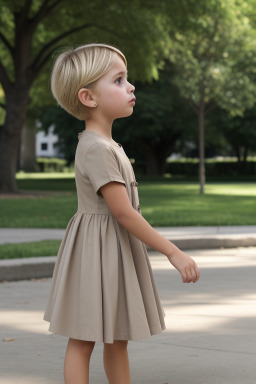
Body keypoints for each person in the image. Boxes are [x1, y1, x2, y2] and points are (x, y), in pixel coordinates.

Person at [44, 43, 200, 384]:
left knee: (116, 337)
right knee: (84, 337)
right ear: (88, 97)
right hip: (97, 251)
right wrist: (173, 251)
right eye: (118, 80)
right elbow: (124, 213)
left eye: (126, 78)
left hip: (108, 249)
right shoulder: (97, 149)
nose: (130, 87)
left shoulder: (104, 145)